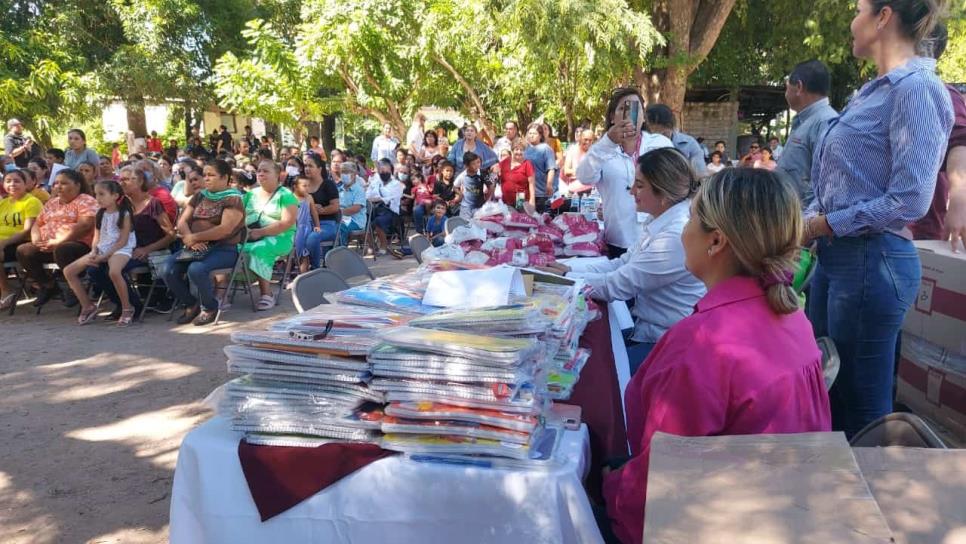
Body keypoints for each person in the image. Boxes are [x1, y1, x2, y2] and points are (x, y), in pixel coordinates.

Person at [602, 167, 833, 544]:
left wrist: (612, 489)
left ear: (716, 242)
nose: (683, 230)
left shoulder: (701, 344)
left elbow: (658, 490)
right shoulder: (793, 317)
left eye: (691, 218)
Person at [805, 0, 953, 437]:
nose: (852, 21)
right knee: (828, 387)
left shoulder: (917, 89)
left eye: (858, 9)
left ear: (883, 17)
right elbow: (838, 180)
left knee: (861, 404)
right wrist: (815, 219)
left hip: (873, 261)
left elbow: (910, 200)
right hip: (842, 258)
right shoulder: (874, 91)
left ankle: (872, 500)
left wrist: (822, 225)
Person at [546, 148, 706, 372]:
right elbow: (621, 263)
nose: (631, 192)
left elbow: (619, 285)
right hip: (650, 331)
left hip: (666, 343)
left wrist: (565, 276)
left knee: (587, 370)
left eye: (639, 185)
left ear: (664, 193)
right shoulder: (661, 220)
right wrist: (567, 268)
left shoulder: (674, 236)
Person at [164, 159, 245, 326]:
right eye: (205, 175)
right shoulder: (200, 195)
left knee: (196, 269)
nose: (206, 178)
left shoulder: (233, 199)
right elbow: (182, 221)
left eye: (211, 175)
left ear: (225, 178)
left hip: (224, 249)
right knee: (167, 269)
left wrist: (195, 237)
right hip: (196, 247)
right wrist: (189, 238)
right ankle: (191, 303)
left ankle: (209, 307)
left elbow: (225, 229)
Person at [911, 23, 966, 245]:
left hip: (918, 232)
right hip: (878, 229)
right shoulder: (887, 90)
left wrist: (959, 200)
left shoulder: (942, 93)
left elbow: (960, 142)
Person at [576, 88, 646, 258]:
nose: (629, 115)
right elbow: (584, 176)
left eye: (635, 109)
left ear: (644, 116)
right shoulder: (602, 149)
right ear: (612, 117)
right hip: (618, 240)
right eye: (623, 109)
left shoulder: (659, 144)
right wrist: (608, 142)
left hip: (653, 239)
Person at [16, 169, 97, 307]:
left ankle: (72, 288)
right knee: (24, 250)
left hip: (77, 245)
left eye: (64, 183)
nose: (58, 186)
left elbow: (85, 225)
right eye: (55, 183)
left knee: (63, 249)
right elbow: (37, 224)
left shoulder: (86, 200)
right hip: (48, 244)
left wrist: (59, 241)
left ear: (77, 185)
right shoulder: (52, 203)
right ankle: (48, 285)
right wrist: (36, 240)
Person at [105, 165, 175, 319]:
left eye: (129, 179)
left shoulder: (153, 203)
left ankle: (133, 306)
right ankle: (123, 302)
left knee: (113, 269)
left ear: (141, 181)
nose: (123, 183)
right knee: (94, 268)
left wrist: (147, 249)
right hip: (125, 250)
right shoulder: (120, 204)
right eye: (121, 179)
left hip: (150, 251)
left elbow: (170, 234)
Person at [66, 180, 138, 326]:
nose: (98, 198)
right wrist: (94, 251)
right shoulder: (100, 213)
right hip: (102, 249)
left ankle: (127, 308)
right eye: (96, 194)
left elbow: (123, 241)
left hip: (120, 249)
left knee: (114, 272)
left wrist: (104, 256)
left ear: (115, 195)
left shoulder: (124, 214)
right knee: (69, 271)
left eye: (101, 194)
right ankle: (88, 306)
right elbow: (97, 237)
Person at [778, 60, 839, 207]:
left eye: (787, 88)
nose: (786, 94)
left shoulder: (826, 122)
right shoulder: (803, 121)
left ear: (799, 87)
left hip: (802, 221)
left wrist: (804, 222)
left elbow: (827, 184)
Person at [242, 160, 299, 309]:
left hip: (280, 237)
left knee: (260, 249)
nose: (260, 173)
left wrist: (261, 232)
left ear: (278, 175)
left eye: (266, 171)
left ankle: (266, 294)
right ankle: (221, 293)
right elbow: (238, 216)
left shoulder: (286, 195)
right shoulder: (250, 195)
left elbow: (287, 223)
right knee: (230, 248)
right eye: (259, 170)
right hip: (250, 235)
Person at [0, 170, 43, 309]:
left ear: (26, 184)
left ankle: (6, 292)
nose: (12, 184)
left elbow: (26, 230)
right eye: (8, 181)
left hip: (20, 243)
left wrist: (4, 243)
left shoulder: (32, 202)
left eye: (17, 181)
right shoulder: (4, 202)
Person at [644, 104, 707, 176]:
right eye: (655, 135)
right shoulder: (643, 144)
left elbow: (700, 173)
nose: (661, 139)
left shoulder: (689, 143)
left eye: (664, 134)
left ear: (671, 126)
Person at [303, 153, 339, 262]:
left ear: (319, 169)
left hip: (327, 224)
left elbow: (335, 207)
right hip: (306, 223)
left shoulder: (328, 184)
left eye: (310, 166)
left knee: (312, 238)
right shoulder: (302, 186)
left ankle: (316, 267)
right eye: (305, 166)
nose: (307, 169)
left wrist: (321, 210)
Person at [366, 158, 404, 257]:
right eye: (381, 170)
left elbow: (392, 198)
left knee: (379, 221)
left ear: (390, 170)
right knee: (364, 221)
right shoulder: (375, 181)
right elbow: (368, 194)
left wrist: (380, 199)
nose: (383, 172)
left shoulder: (396, 184)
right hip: (374, 208)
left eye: (385, 170)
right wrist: (374, 198)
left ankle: (383, 246)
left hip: (390, 211)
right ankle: (372, 246)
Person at [292, 176, 324, 273]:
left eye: (308, 186)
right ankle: (291, 272)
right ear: (296, 187)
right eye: (304, 186)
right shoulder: (291, 198)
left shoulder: (309, 197)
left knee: (304, 252)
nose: (307, 188)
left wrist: (317, 226)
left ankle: (303, 274)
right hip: (294, 228)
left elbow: (314, 213)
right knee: (295, 250)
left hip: (306, 228)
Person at [524, 123, 558, 212]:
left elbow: (551, 168)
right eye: (530, 133)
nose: (531, 136)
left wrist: (549, 184)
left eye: (534, 134)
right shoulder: (524, 148)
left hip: (541, 192)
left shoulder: (545, 149)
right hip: (526, 191)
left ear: (540, 136)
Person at [336, 161, 368, 246]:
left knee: (340, 227)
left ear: (353, 175)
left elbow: (356, 208)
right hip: (341, 218)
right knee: (330, 226)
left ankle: (341, 251)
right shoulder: (339, 189)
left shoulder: (359, 190)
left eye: (346, 172)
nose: (343, 175)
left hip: (355, 220)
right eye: (342, 172)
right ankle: (328, 253)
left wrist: (338, 212)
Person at [454, 152, 492, 219]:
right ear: (466, 166)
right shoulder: (462, 175)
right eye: (473, 164)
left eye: (477, 162)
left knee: (478, 225)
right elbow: (455, 186)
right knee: (464, 226)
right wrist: (460, 194)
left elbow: (491, 186)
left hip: (479, 207)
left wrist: (487, 199)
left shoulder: (483, 173)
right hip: (465, 208)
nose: (477, 165)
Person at [498, 140, 536, 208]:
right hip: (506, 198)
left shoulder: (527, 164)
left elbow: (531, 183)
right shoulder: (505, 162)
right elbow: (495, 174)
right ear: (512, 150)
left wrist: (532, 200)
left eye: (521, 150)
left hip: (520, 197)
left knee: (519, 216)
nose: (519, 152)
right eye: (516, 149)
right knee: (508, 217)